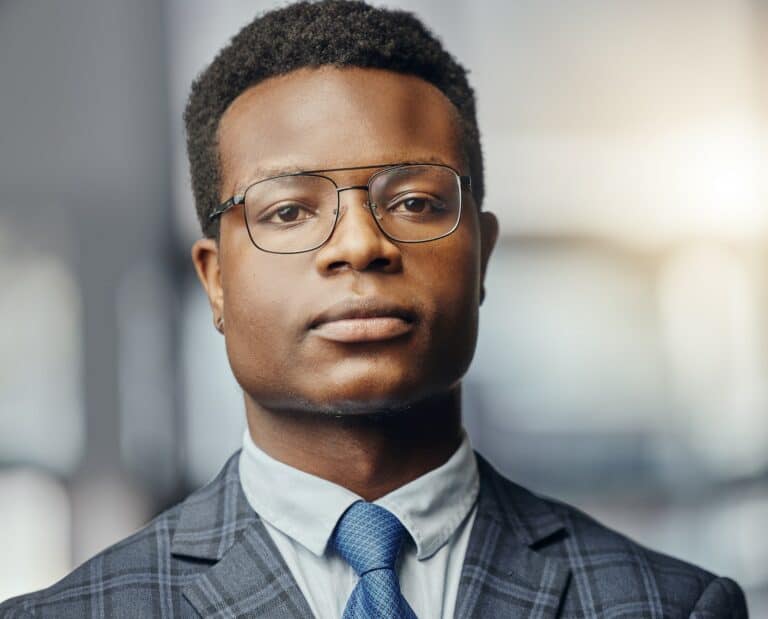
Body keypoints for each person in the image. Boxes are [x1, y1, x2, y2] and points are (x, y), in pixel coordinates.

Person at [0, 1, 748, 617]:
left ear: (482, 253)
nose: (360, 245)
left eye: (416, 201)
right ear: (215, 279)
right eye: (290, 211)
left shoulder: (671, 604)